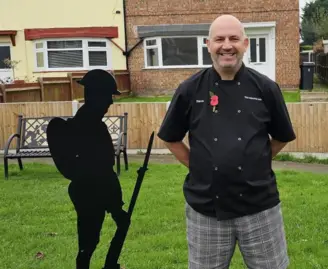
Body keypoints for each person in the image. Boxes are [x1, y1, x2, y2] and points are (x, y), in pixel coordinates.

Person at [158, 14, 296, 269]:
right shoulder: (189, 90)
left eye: (234, 39)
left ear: (245, 44)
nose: (227, 45)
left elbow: (281, 136)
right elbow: (171, 138)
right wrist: (199, 166)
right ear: (208, 44)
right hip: (206, 209)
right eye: (219, 39)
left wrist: (256, 161)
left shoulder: (266, 88)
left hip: (260, 208)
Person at [54, 69, 130, 269]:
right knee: (88, 243)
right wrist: (115, 209)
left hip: (92, 190)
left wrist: (116, 207)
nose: (110, 103)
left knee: (88, 242)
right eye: (108, 97)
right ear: (95, 96)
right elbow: (102, 171)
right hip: (91, 192)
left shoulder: (92, 125)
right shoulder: (88, 128)